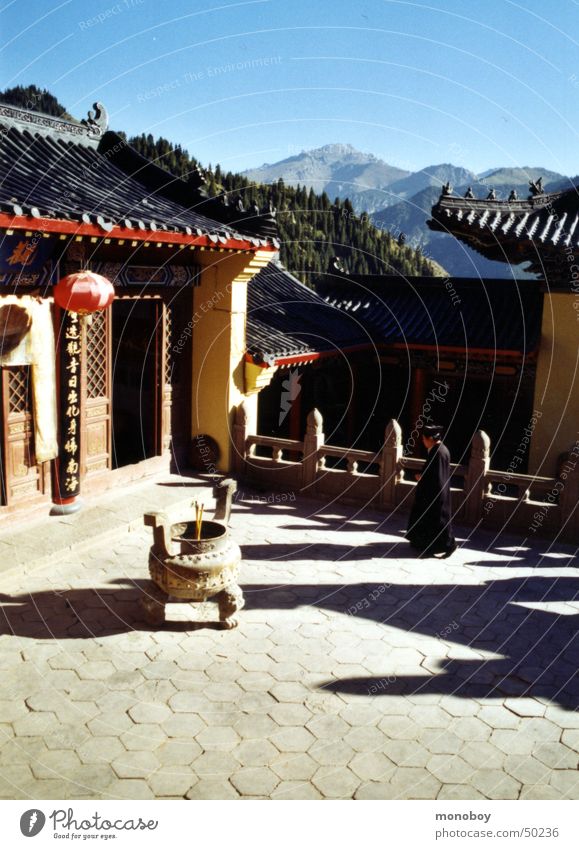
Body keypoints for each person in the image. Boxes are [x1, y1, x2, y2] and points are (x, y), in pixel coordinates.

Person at [406, 424, 457, 558]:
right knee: (430, 520)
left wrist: (422, 479)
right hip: (436, 490)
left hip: (435, 493)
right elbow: (434, 472)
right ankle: (423, 544)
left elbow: (437, 476)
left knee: (438, 521)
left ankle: (450, 545)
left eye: (423, 439)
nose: (423, 442)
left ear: (430, 439)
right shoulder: (441, 449)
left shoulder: (438, 452)